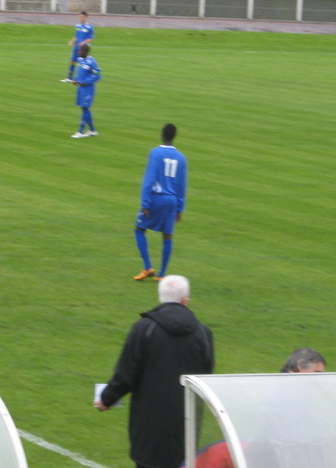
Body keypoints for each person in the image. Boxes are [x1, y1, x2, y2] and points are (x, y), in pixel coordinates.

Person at [95, 274, 214, 468]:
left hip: (149, 426)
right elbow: (206, 379)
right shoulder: (203, 333)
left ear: (161, 297)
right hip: (186, 426)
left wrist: (106, 399)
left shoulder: (144, 329)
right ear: (185, 299)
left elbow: (126, 374)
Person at [183, 348, 326, 468]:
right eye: (316, 373)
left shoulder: (297, 394)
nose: (318, 380)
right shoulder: (283, 395)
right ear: (299, 367)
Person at [133, 123, 187, 282]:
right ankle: (162, 274)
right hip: (172, 201)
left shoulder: (156, 153)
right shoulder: (181, 158)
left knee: (139, 229)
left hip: (157, 198)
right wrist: (180, 208)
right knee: (167, 236)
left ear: (162, 134)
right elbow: (182, 185)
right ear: (174, 136)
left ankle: (148, 267)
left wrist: (145, 203)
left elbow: (149, 179)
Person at [71, 43, 100, 137]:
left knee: (85, 108)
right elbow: (81, 74)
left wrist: (86, 82)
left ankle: (80, 131)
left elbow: (98, 75)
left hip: (88, 89)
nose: (78, 52)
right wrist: (76, 79)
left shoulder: (92, 62)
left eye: (80, 51)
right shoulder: (80, 60)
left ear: (86, 52)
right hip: (81, 88)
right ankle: (92, 130)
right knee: (84, 108)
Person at [62, 10, 95, 83]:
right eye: (80, 17)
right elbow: (76, 36)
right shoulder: (78, 26)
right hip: (76, 47)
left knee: (84, 64)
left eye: (83, 17)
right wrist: (71, 41)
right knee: (72, 62)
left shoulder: (90, 27)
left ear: (86, 17)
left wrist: (83, 43)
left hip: (84, 49)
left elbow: (90, 39)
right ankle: (69, 78)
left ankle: (87, 77)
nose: (81, 18)